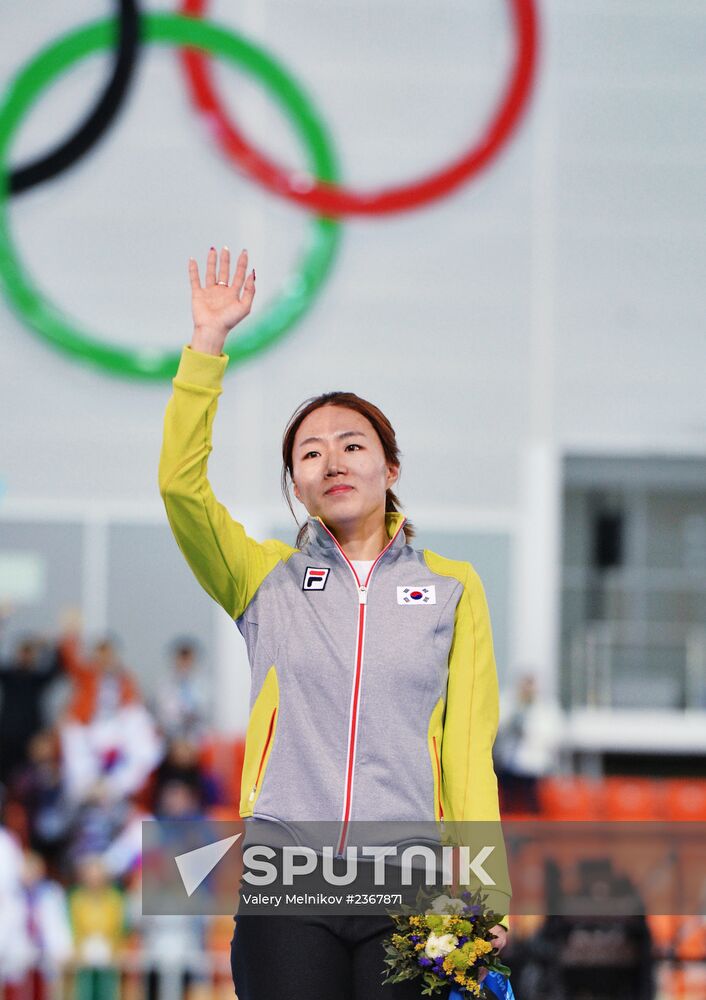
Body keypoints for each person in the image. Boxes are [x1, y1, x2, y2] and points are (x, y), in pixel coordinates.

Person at [158, 246, 511, 999]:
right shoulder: (263, 581)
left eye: (353, 445)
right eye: (310, 455)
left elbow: (467, 755)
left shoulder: (453, 589)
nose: (333, 461)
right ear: (298, 486)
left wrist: (490, 896)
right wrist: (207, 346)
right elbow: (180, 488)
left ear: (391, 467)